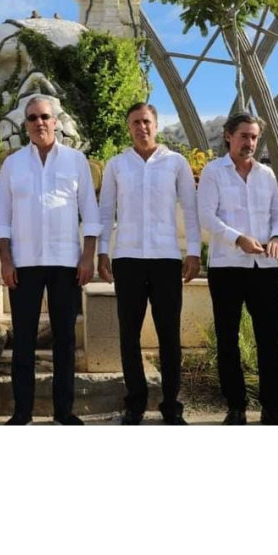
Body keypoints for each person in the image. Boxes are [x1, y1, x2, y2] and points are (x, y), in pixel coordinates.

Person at [0, 96, 101, 425]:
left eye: (45, 117)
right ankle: (22, 412)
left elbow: (91, 213)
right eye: (32, 118)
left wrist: (87, 257)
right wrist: (6, 261)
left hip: (66, 262)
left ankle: (63, 412)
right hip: (24, 263)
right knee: (23, 339)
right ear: (25, 125)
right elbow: (2, 218)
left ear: (55, 121)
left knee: (65, 339)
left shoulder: (75, 161)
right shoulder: (12, 165)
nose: (39, 122)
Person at [98, 102, 201, 425]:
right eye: (135, 123)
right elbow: (105, 212)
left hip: (166, 258)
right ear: (128, 127)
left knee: (169, 334)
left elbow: (191, 209)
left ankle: (171, 404)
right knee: (128, 335)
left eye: (146, 121)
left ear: (156, 125)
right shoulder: (117, 165)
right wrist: (103, 251)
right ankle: (135, 403)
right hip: (127, 258)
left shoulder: (176, 163)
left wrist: (194, 251)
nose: (141, 127)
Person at [197, 113, 278, 425]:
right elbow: (207, 217)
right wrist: (238, 239)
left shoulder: (267, 175)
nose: (249, 143)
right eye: (244, 136)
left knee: (270, 340)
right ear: (228, 136)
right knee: (227, 340)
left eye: (253, 137)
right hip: (227, 268)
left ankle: (273, 409)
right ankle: (235, 408)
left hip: (264, 268)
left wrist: (277, 236)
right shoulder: (213, 172)